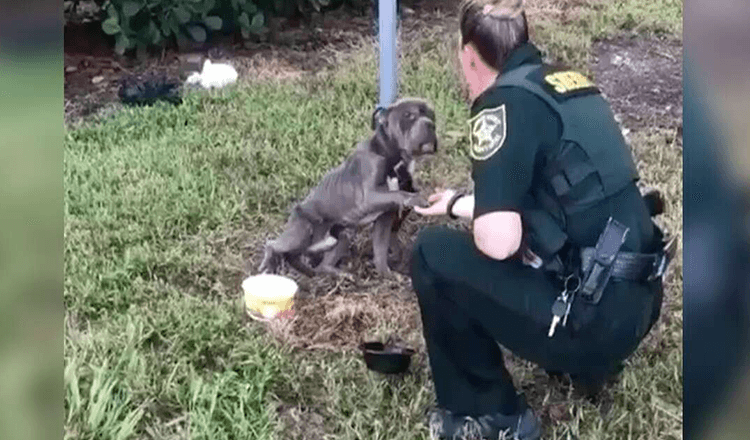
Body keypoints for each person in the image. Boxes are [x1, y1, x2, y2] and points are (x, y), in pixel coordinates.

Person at [407, 1, 675, 438]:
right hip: (637, 306)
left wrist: (479, 218)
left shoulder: (501, 105)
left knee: (433, 254)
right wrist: (460, 201)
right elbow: (564, 202)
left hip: (590, 323)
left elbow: (498, 242)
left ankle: (490, 415)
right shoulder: (567, 82)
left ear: (469, 55)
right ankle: (590, 367)